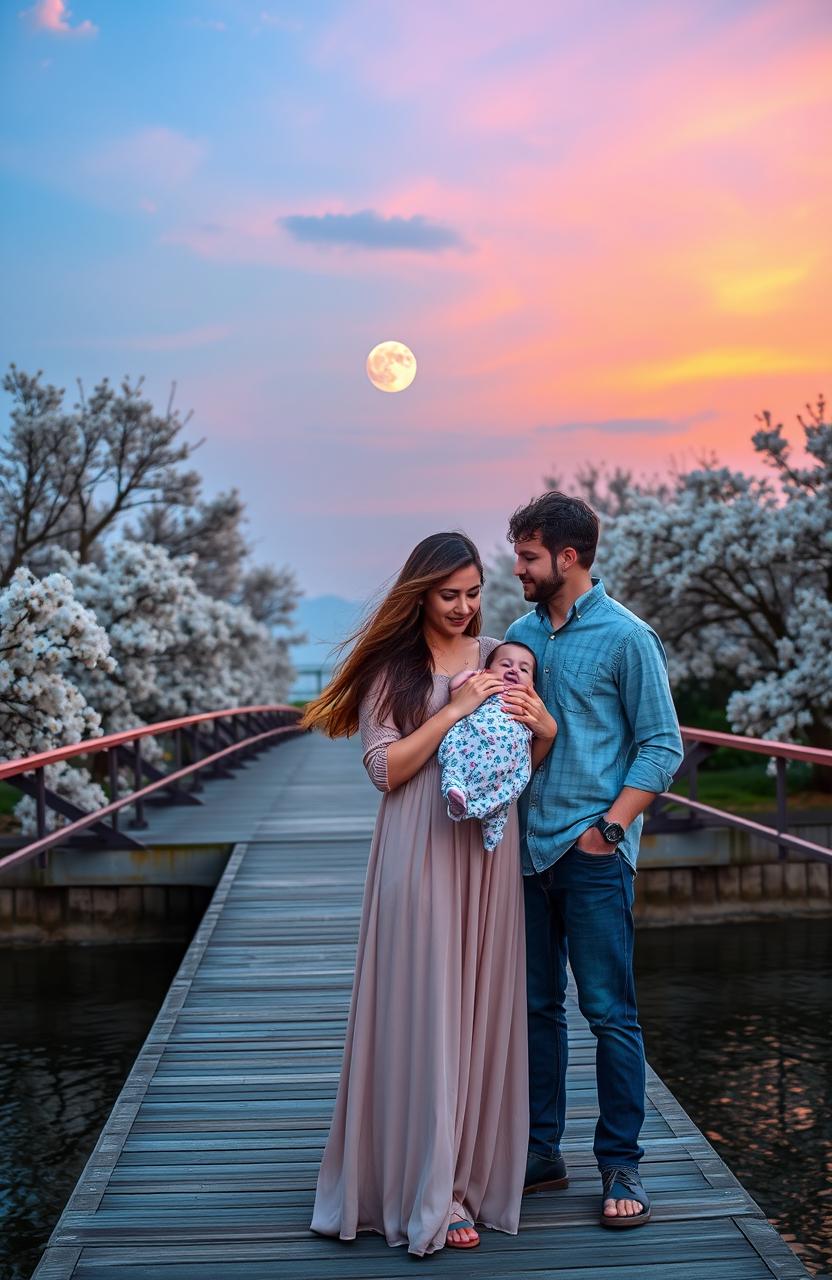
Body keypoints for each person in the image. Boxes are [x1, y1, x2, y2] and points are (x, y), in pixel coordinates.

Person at [302, 532, 556, 1254]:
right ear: (421, 595)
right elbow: (385, 770)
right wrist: (452, 707)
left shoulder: (502, 656)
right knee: (427, 1009)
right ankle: (421, 1189)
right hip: (417, 849)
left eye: (475, 593)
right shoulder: (396, 669)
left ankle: (461, 1182)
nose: (465, 608)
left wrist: (545, 730)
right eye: (450, 596)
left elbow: (516, 760)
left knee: (476, 1009)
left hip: (486, 851)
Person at [503, 492, 683, 1229]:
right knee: (535, 1011)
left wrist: (607, 831)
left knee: (609, 1013)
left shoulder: (627, 638)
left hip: (591, 855)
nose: (517, 568)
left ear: (567, 558)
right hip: (521, 856)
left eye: (527, 556)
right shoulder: (517, 634)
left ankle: (622, 1164)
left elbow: (661, 747)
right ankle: (542, 1153)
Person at [439, 642, 546, 851]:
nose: (514, 670)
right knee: (454, 760)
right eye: (506, 665)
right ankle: (456, 792)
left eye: (524, 670)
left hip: (508, 762)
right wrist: (473, 676)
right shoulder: (485, 689)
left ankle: (492, 828)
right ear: (487, 671)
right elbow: (455, 687)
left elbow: (539, 726)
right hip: (471, 746)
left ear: (532, 684)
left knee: (506, 795)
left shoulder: (527, 700)